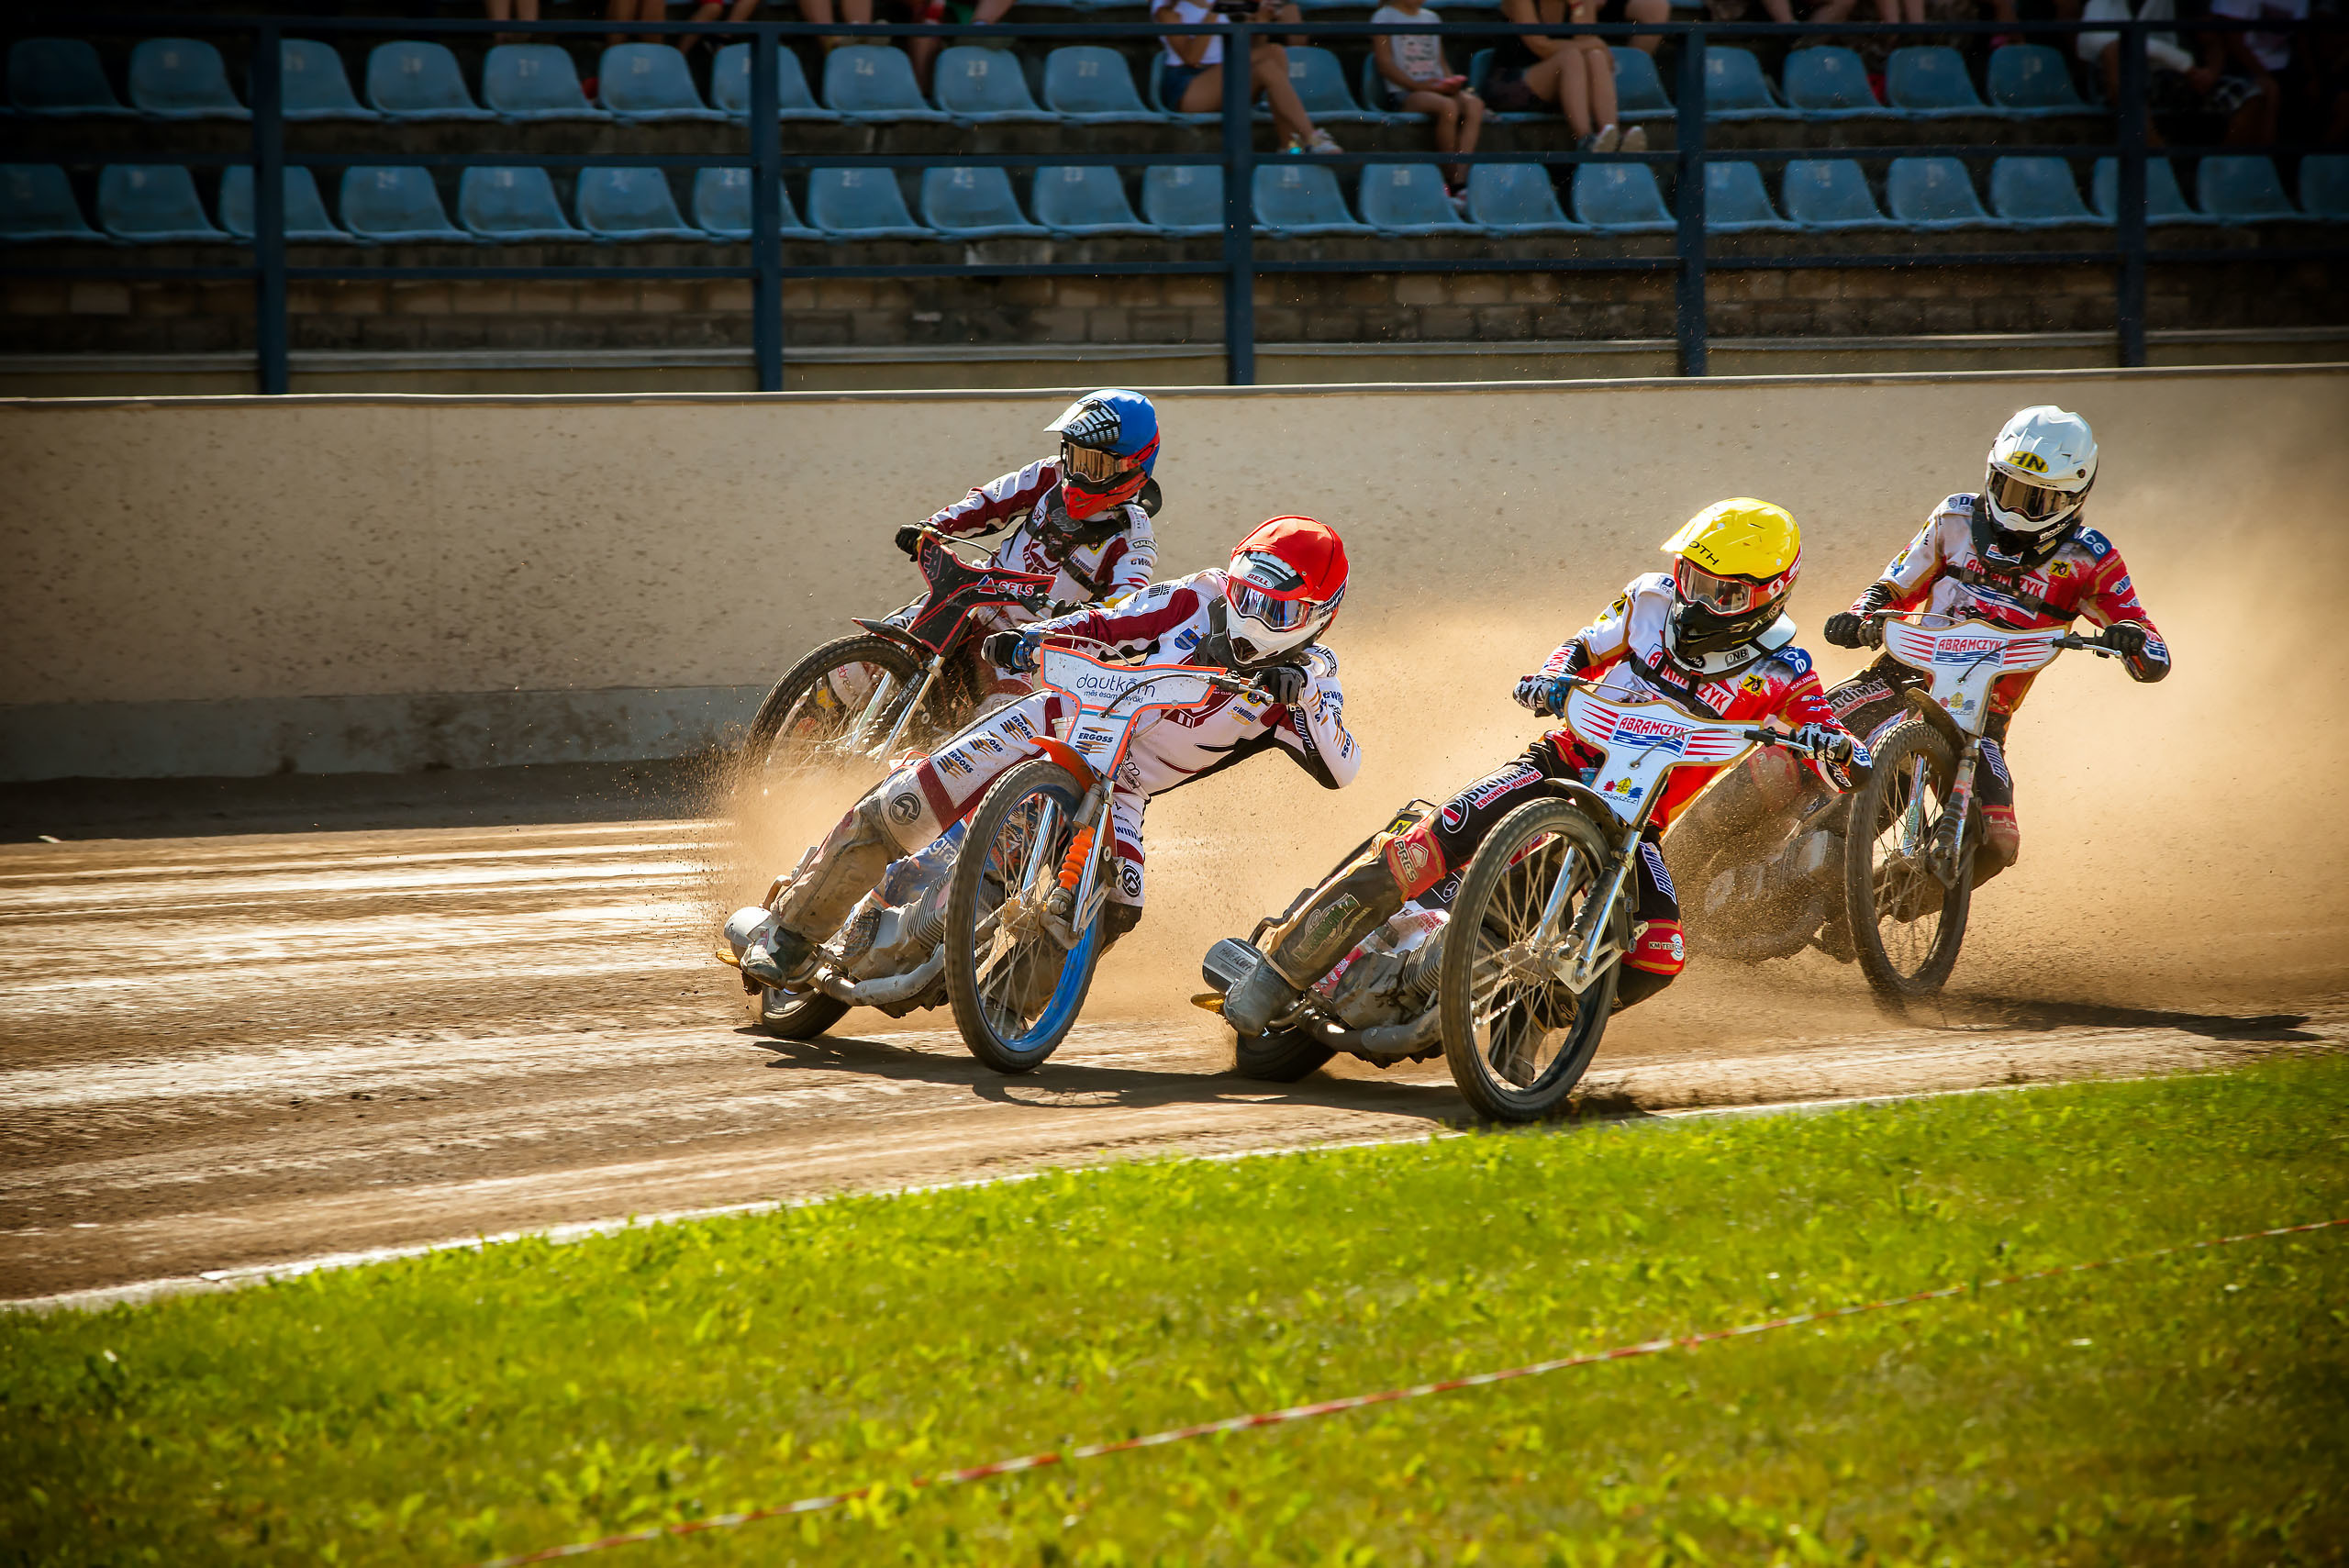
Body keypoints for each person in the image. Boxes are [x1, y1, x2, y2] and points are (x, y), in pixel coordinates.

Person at [1219, 499, 1868, 1036]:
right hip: (1560, 762)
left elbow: (1829, 732)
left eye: (1719, 592)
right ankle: (1275, 974)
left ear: (1769, 597)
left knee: (1660, 954)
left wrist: (1841, 750)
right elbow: (1582, 647)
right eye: (1690, 578)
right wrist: (1551, 677)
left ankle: (1517, 1026)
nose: (1694, 601)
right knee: (1425, 846)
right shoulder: (1648, 598)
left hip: (1636, 825)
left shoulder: (1786, 669)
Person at [739, 516, 1360, 985]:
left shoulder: (1315, 676)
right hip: (1063, 720)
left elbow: (1344, 766)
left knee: (1119, 907)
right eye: (1247, 594)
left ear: (1318, 616)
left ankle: (1004, 1006)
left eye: (1276, 609)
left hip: (1124, 789)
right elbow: (1109, 618)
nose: (1253, 614)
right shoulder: (1197, 595)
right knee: (912, 800)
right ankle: (791, 932)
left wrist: (1304, 693)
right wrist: (1031, 637)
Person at [1820, 406, 2169, 884]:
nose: (2017, 509)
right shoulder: (1954, 517)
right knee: (1785, 757)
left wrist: (2133, 641)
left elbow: (2153, 650)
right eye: (2008, 488)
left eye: (2037, 500)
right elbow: (1893, 586)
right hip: (1898, 676)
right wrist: (1859, 617)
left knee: (1998, 842)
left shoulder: (2089, 558)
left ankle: (1876, 899)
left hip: (1982, 716)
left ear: (2075, 496)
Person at [900, 388, 1163, 706]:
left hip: (1018, 641)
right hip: (970, 595)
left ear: (1132, 466)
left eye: (1093, 466)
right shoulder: (1049, 474)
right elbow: (987, 502)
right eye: (1075, 457)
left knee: (1004, 714)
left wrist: (1083, 616)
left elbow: (1124, 610)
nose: (1078, 474)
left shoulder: (1134, 539)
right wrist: (932, 526)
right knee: (879, 648)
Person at [1157, 0, 1341, 154]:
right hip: (1188, 86)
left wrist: (1262, 21)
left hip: (1224, 76)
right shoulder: (1166, 9)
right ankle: (1310, 138)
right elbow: (1192, 58)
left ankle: (1289, 146)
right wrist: (1215, 12)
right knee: (1271, 54)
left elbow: (1252, 50)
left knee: (1271, 59)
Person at [1484, 0, 1665, 151]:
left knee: (1595, 56)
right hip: (1513, 81)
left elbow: (1587, 41)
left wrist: (1579, 7)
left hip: (1562, 81)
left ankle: (1611, 136)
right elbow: (1540, 46)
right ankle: (1585, 139)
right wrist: (1593, 44)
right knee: (1571, 57)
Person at [1370, 0, 1487, 198]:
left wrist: (1451, 83)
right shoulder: (1383, 16)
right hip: (1406, 93)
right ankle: (1452, 180)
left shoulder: (1432, 18)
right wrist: (1419, 86)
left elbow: (1440, 62)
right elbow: (1385, 65)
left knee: (1475, 104)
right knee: (1447, 107)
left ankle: (1460, 179)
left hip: (1436, 89)